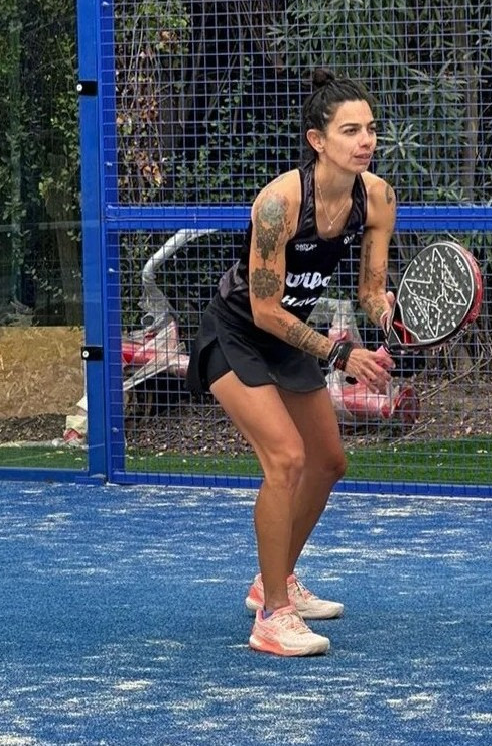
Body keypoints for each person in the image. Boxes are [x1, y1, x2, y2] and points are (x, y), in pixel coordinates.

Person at [186, 68, 397, 656]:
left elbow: (371, 291)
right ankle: (272, 616)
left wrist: (389, 318)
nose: (365, 140)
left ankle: (273, 580)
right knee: (285, 458)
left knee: (328, 461)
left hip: (290, 339)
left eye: (370, 129)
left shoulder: (377, 198)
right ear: (317, 140)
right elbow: (262, 309)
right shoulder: (279, 203)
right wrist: (340, 353)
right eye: (350, 130)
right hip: (236, 334)